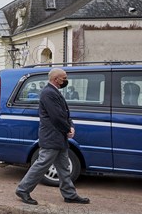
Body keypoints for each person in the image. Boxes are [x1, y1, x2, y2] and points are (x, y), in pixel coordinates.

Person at [15, 68, 90, 206]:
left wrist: (70, 126)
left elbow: (64, 114)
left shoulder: (53, 92)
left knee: (64, 167)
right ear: (56, 79)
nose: (66, 80)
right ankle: (23, 189)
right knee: (41, 165)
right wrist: (68, 129)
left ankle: (69, 194)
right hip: (52, 137)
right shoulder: (48, 93)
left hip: (58, 137)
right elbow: (56, 116)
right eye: (64, 78)